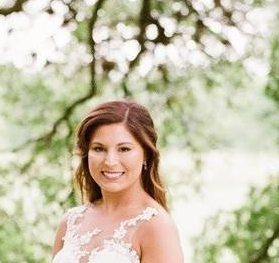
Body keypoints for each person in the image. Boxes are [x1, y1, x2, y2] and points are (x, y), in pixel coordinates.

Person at [51, 99, 185, 263]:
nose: (110, 161)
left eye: (124, 149)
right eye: (99, 148)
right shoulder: (70, 222)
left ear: (146, 155)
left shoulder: (156, 227)